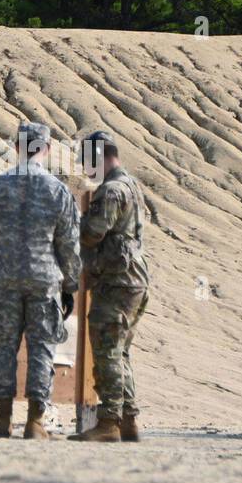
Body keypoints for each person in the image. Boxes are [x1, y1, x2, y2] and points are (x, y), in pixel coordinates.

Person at [0, 121, 81, 439]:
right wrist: (70, 283)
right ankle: (35, 422)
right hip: (45, 279)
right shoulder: (57, 190)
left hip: (5, 279)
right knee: (41, 348)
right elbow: (69, 244)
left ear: (18, 148)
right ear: (46, 149)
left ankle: (3, 421)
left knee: (4, 347)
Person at [69, 131, 150, 442]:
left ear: (99, 156)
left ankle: (109, 422)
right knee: (120, 350)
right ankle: (128, 419)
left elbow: (92, 233)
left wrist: (72, 222)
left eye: (86, 162)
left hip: (117, 282)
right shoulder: (130, 185)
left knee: (106, 350)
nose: (84, 169)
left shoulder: (112, 190)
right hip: (133, 280)